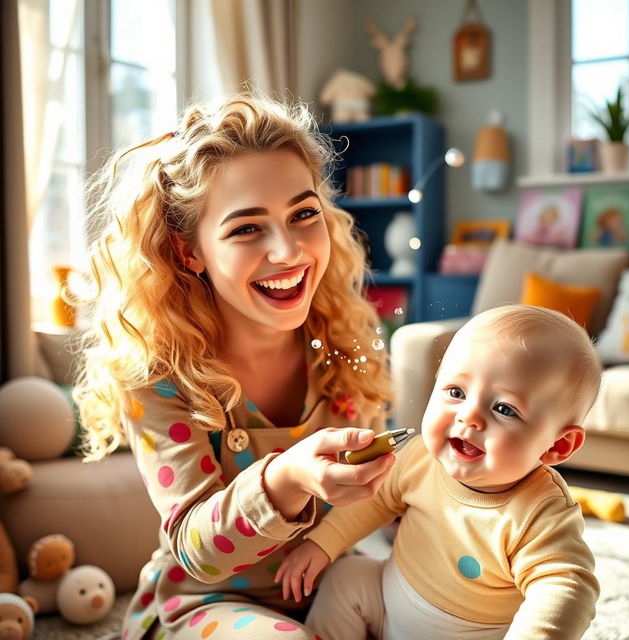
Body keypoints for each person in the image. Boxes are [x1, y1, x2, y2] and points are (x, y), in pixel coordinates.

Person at [73, 93, 396, 640]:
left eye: (303, 214)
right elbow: (199, 554)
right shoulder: (159, 378)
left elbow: (376, 499)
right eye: (247, 228)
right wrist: (288, 476)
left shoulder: (343, 345)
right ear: (187, 253)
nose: (288, 251)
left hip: (335, 579)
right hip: (206, 604)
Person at [277, 304, 602, 640]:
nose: (469, 417)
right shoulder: (419, 458)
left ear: (557, 447)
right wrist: (323, 544)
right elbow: (372, 501)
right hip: (386, 602)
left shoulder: (540, 512)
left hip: (470, 632)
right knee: (346, 576)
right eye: (456, 393)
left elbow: (566, 585)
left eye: (504, 408)